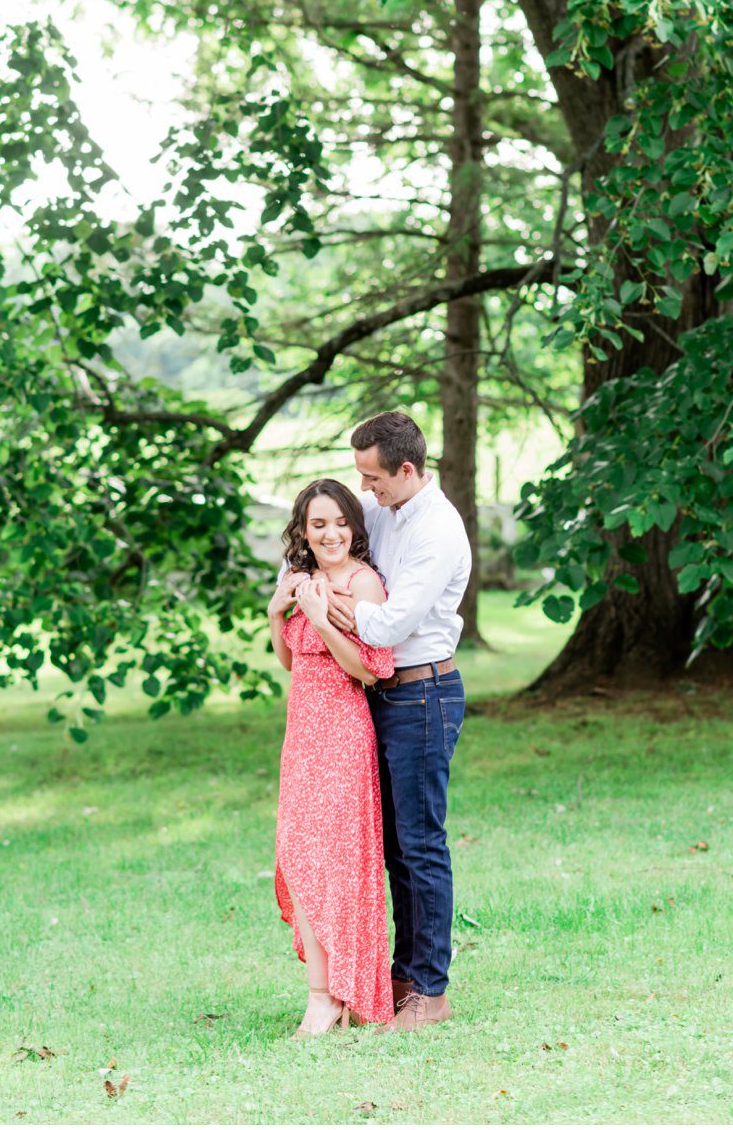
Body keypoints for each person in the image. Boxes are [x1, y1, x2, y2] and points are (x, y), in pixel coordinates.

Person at [304, 410, 472, 1033]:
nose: (365, 491)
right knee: (390, 848)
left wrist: (334, 612)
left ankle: (430, 993)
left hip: (423, 695)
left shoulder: (439, 529)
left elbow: (391, 624)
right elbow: (329, 548)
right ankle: (396, 978)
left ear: (406, 469)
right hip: (376, 695)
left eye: (372, 478)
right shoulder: (383, 510)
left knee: (421, 845)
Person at [267, 479, 397, 1036]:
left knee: (335, 865)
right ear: (302, 530)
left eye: (340, 522)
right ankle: (323, 991)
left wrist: (321, 619)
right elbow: (291, 663)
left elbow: (369, 669)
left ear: (354, 526)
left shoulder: (363, 583)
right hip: (302, 733)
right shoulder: (300, 579)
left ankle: (332, 996)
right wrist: (279, 614)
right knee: (298, 859)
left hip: (343, 731)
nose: (331, 533)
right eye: (318, 524)